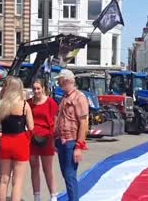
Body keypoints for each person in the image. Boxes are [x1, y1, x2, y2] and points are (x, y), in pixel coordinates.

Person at [0, 77, 34, 201]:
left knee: (3, 178)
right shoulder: (24, 105)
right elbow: (31, 126)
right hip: (20, 141)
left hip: (5, 141)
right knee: (17, 182)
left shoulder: (2, 104)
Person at [54, 69, 89, 201]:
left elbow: (83, 123)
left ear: (67, 80)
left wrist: (79, 146)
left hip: (71, 142)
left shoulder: (79, 97)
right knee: (66, 174)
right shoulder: (65, 97)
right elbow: (61, 119)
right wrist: (55, 139)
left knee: (70, 175)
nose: (58, 83)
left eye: (60, 80)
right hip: (62, 141)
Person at [28, 79, 59, 201]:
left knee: (48, 168)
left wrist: (53, 139)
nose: (36, 91)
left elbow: (55, 122)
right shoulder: (29, 103)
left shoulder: (51, 103)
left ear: (43, 88)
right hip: (32, 138)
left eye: (38, 88)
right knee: (34, 167)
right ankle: (37, 196)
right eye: (34, 89)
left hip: (47, 137)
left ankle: (53, 195)